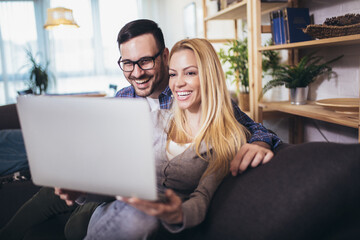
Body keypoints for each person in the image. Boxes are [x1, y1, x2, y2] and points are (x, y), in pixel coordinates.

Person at [0, 19, 281, 240]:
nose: (136, 72)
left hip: (132, 199)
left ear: (164, 56)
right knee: (49, 189)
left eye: (145, 61)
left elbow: (246, 129)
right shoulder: (123, 98)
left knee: (75, 228)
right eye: (127, 63)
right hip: (109, 182)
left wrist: (262, 143)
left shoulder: (192, 102)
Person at [82, 37, 252, 239]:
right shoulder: (155, 120)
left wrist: (177, 213)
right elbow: (119, 183)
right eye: (173, 74)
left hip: (154, 225)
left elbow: (202, 199)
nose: (178, 83)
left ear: (209, 77)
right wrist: (81, 193)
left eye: (190, 73)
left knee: (143, 217)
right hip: (116, 215)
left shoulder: (228, 139)